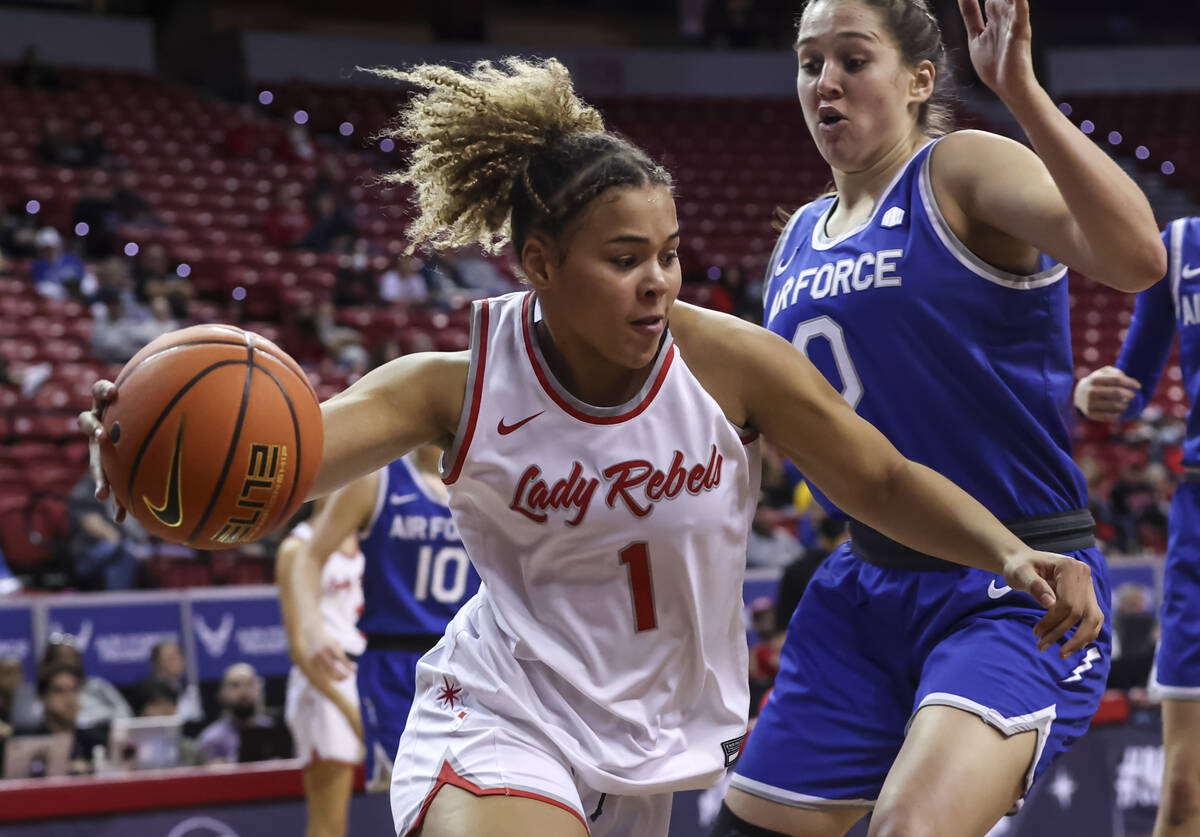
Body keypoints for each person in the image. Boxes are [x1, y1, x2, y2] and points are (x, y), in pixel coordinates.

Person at [83, 57, 1103, 837]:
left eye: (667, 254)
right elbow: (277, 472)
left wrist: (1009, 554)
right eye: (624, 261)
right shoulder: (453, 384)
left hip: (644, 751)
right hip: (499, 712)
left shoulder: (730, 365)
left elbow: (878, 477)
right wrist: (142, 452)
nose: (658, 281)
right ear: (539, 262)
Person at [710, 0, 1165, 835]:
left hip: (1020, 579)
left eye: (853, 59)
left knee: (909, 829)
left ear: (920, 80)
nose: (827, 83)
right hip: (863, 584)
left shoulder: (956, 169)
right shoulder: (798, 238)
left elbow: (1138, 259)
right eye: (811, 63)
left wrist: (1021, 93)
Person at [1073, 216, 1200, 836]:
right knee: (1182, 798)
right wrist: (1090, 393)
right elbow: (1131, 388)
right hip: (1197, 525)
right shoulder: (1180, 247)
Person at [285, 444, 481, 793]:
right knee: (408, 795)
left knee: (474, 795)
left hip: (466, 659)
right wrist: (313, 626)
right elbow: (308, 557)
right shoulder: (377, 480)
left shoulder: (483, 479)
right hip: (392, 661)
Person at [278, 503, 367, 837]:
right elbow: (299, 647)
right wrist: (347, 708)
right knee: (329, 823)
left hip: (367, 670)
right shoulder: (296, 547)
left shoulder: (367, 536)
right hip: (324, 682)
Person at [196, 662, 291, 765]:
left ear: (260, 690)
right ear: (222, 692)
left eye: (249, 684)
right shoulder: (211, 739)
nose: (243, 691)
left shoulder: (274, 733)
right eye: (235, 685)